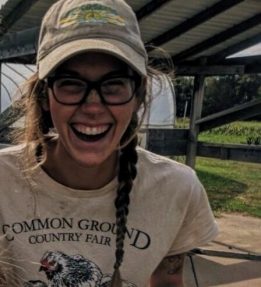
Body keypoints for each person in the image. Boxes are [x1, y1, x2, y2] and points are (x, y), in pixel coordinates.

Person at [0, 0, 218, 286]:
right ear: (44, 95)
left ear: (138, 95)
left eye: (114, 84)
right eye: (71, 83)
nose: (93, 106)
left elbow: (168, 280)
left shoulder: (177, 189)